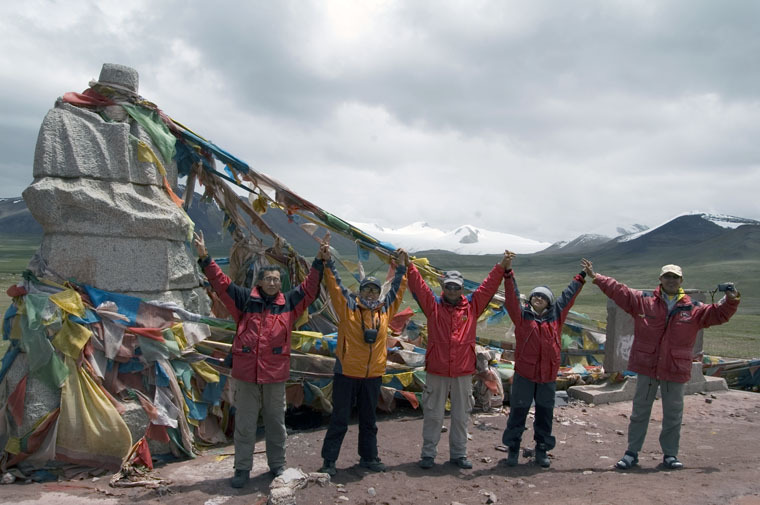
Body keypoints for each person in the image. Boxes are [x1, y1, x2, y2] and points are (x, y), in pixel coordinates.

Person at [193, 231, 326, 488]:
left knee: (276, 423)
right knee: (244, 424)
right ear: (260, 281)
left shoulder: (288, 303)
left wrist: (319, 261)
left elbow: (310, 289)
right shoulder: (244, 301)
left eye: (277, 279)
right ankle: (242, 469)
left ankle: (277, 465)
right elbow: (221, 284)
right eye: (269, 279)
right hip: (246, 376)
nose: (274, 283)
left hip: (275, 376)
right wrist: (205, 257)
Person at [584, 262, 741, 470]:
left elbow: (719, 314)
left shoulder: (694, 308)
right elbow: (619, 291)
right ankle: (632, 453)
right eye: (667, 276)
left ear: (681, 281)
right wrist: (596, 277)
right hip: (647, 366)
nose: (671, 280)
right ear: (660, 279)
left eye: (675, 277)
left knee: (673, 413)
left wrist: (731, 299)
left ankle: (670, 455)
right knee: (640, 411)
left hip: (674, 368)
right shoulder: (643, 301)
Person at [402, 251, 511, 470]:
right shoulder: (433, 307)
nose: (452, 290)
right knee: (433, 414)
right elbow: (420, 288)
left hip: (462, 372)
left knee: (461, 416)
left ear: (462, 288)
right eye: (448, 286)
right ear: (443, 287)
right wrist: (409, 266)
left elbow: (487, 288)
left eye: (456, 287)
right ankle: (428, 454)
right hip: (437, 370)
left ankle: (459, 454)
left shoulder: (472, 307)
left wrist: (501, 267)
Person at [318, 238, 408, 477]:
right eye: (366, 288)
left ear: (379, 293)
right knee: (339, 418)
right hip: (346, 372)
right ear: (359, 290)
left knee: (369, 420)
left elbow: (398, 288)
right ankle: (329, 461)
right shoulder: (347, 307)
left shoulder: (385, 310)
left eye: (374, 289)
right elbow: (335, 285)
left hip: (373, 375)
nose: (370, 292)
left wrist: (402, 268)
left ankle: (369, 457)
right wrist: (327, 263)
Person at [500, 253, 589, 468]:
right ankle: (513, 448)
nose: (538, 298)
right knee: (518, 412)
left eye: (543, 296)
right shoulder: (521, 317)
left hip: (547, 376)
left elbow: (568, 296)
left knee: (545, 414)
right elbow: (512, 297)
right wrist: (508, 273)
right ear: (530, 300)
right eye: (535, 296)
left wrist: (582, 276)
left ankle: (541, 449)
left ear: (549, 302)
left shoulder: (556, 316)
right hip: (525, 374)